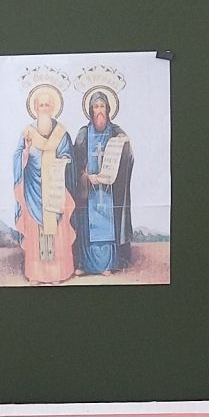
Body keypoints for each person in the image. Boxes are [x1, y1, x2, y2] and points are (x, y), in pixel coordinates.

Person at [67, 82, 134, 275]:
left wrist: (123, 146)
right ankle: (85, 264)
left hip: (110, 191)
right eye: (95, 106)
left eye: (102, 106)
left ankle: (108, 264)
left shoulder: (116, 132)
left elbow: (129, 157)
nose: (99, 111)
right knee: (86, 221)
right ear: (90, 110)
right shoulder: (83, 133)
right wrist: (86, 177)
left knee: (109, 222)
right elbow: (74, 163)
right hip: (88, 191)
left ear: (108, 109)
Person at [13, 82, 76, 284]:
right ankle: (36, 274)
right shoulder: (28, 133)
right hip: (33, 189)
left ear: (53, 107)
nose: (44, 108)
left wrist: (63, 161)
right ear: (35, 108)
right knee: (35, 230)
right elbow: (18, 158)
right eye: (41, 105)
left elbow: (68, 155)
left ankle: (58, 274)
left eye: (48, 105)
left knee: (57, 229)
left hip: (55, 187)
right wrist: (25, 153)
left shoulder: (61, 133)